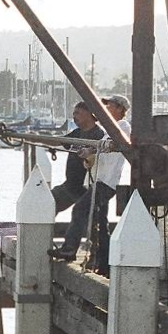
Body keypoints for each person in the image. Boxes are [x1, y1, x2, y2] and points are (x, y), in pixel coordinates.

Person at [50, 102, 105, 261]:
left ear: (89, 114)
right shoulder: (77, 133)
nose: (74, 117)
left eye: (78, 113)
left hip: (87, 186)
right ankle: (40, 239)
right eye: (74, 113)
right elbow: (58, 141)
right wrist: (34, 137)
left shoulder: (98, 135)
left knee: (91, 221)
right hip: (71, 186)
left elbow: (100, 156)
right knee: (48, 202)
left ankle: (90, 255)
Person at [87, 94, 132, 276]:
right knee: (97, 220)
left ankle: (102, 261)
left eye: (110, 106)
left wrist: (94, 150)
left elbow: (110, 148)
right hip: (99, 178)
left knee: (96, 220)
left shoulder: (122, 127)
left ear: (120, 109)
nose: (106, 109)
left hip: (107, 180)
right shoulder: (109, 129)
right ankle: (99, 260)